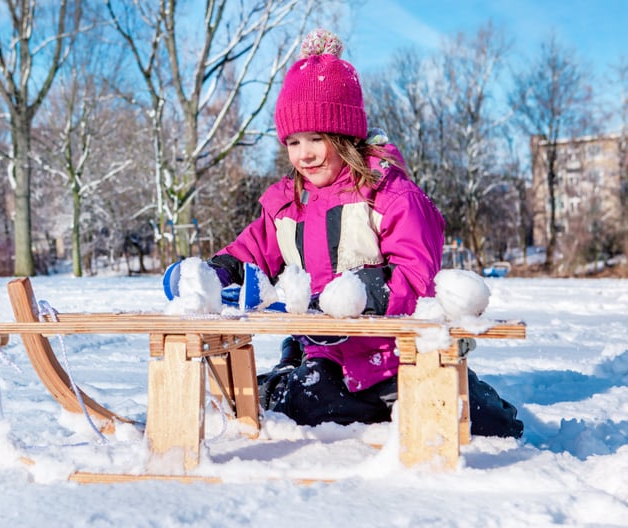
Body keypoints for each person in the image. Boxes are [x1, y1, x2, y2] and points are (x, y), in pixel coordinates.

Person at [167, 29, 523, 438]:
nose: (305, 154)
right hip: (325, 356)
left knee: (492, 428)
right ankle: (286, 381)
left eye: (317, 138)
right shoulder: (287, 203)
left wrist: (363, 292)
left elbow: (417, 275)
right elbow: (251, 251)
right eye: (294, 141)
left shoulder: (390, 195)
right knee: (304, 409)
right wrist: (213, 274)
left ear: (346, 135)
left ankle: (447, 397)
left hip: (397, 355)